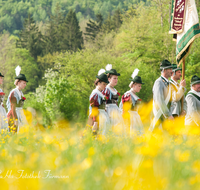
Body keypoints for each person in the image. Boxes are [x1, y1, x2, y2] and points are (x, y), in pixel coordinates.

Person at [149, 60, 173, 132]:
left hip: (164, 115)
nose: (172, 71)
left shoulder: (167, 83)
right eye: (170, 69)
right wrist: (168, 114)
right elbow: (159, 100)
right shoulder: (159, 82)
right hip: (159, 115)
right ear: (164, 70)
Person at [119, 69, 144, 136]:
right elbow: (125, 109)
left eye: (140, 86)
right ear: (133, 85)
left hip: (136, 117)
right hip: (130, 118)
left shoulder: (134, 95)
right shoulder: (128, 95)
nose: (140, 88)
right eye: (139, 86)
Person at [102, 64, 125, 134]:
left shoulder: (114, 89)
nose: (116, 80)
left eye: (117, 78)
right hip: (109, 111)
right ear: (109, 79)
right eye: (114, 78)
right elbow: (103, 102)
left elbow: (116, 102)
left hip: (116, 110)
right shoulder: (106, 89)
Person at [7, 66, 28, 133]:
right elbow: (13, 107)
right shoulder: (14, 93)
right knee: (14, 133)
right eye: (24, 83)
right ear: (18, 83)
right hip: (13, 115)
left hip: (18, 113)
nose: (25, 85)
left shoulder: (20, 92)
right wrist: (15, 119)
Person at [88, 69, 110, 135]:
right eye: (104, 84)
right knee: (95, 135)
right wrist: (95, 121)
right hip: (97, 118)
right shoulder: (95, 94)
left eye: (106, 84)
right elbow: (94, 109)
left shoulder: (100, 93)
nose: (105, 86)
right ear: (98, 83)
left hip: (102, 117)